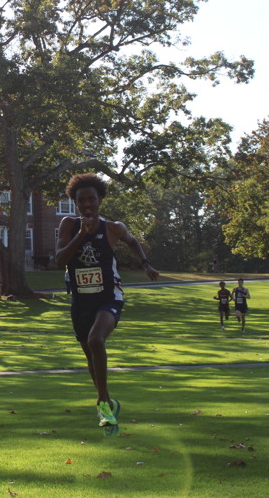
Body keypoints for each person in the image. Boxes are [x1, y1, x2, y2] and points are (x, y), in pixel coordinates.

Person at [56, 173, 159, 436]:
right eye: (81, 201)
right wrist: (82, 234)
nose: (87, 204)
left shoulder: (113, 228)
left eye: (91, 199)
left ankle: (102, 403)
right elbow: (59, 260)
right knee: (90, 356)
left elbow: (133, 242)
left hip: (109, 297)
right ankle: (108, 402)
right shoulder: (69, 225)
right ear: (75, 203)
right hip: (81, 301)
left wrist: (145, 264)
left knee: (96, 340)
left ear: (100, 199)